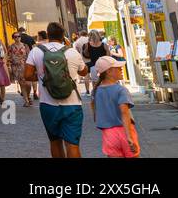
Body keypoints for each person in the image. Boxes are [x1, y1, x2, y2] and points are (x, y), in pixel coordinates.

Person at [25, 22, 89, 158]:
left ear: (48, 35)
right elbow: (84, 72)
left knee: (55, 142)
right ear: (63, 35)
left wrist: (44, 77)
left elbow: (27, 75)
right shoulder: (72, 52)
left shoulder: (36, 51)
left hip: (48, 105)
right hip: (72, 105)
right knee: (72, 144)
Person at [91, 56, 139, 158]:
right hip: (125, 131)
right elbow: (124, 112)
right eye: (118, 68)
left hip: (108, 134)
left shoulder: (96, 91)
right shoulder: (121, 90)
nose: (121, 69)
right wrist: (129, 136)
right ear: (109, 72)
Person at [8, 32, 33, 106]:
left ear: (20, 37)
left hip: (25, 66)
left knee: (28, 84)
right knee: (22, 84)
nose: (17, 38)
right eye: (15, 37)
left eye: (18, 36)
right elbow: (8, 57)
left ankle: (28, 96)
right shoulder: (11, 47)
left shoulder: (25, 46)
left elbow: (30, 56)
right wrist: (9, 66)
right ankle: (26, 101)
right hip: (16, 67)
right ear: (13, 38)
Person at [82, 30, 110, 96]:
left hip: (94, 66)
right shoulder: (104, 44)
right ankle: (104, 95)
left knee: (95, 83)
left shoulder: (87, 45)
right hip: (104, 66)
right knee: (104, 82)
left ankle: (96, 96)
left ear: (90, 36)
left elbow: (86, 55)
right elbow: (108, 56)